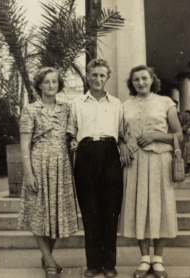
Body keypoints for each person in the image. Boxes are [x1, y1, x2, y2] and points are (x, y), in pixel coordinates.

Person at [119, 65, 183, 278]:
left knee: (159, 208)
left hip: (159, 162)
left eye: (144, 78)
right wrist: (123, 145)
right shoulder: (125, 105)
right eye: (136, 79)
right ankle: (144, 259)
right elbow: (119, 134)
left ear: (152, 80)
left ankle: (158, 260)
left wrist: (155, 135)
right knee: (140, 209)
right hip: (135, 163)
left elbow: (179, 135)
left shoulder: (166, 102)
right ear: (132, 83)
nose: (140, 83)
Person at [18, 67, 78, 278]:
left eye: (54, 82)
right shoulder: (31, 110)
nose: (51, 86)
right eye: (46, 82)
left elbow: (71, 134)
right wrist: (28, 174)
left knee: (55, 215)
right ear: (40, 85)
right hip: (39, 164)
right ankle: (50, 261)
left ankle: (47, 256)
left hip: (61, 166)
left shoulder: (66, 108)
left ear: (58, 85)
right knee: (38, 213)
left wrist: (73, 141)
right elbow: (24, 144)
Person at [67, 59, 124, 278]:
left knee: (110, 211)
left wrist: (123, 145)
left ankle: (109, 265)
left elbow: (121, 132)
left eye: (102, 75)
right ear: (87, 76)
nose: (98, 79)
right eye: (94, 75)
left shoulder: (117, 103)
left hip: (110, 153)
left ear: (107, 77)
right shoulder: (77, 103)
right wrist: (72, 141)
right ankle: (93, 264)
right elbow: (71, 131)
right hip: (86, 153)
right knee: (90, 212)